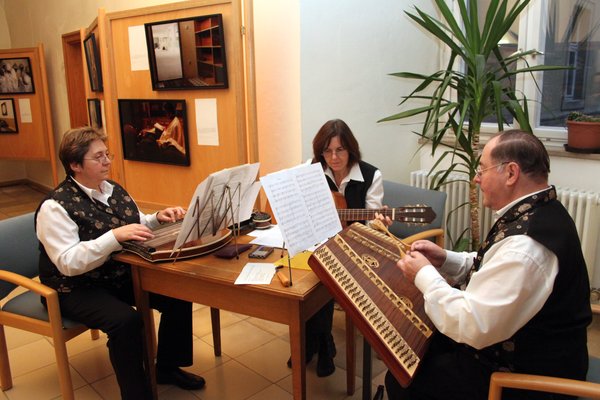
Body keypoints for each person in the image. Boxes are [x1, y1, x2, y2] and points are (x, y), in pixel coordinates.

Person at [385, 129, 592, 400]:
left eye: (482, 169)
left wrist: (423, 273)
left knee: (403, 380)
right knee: (420, 350)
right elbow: (496, 266)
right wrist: (446, 259)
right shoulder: (539, 208)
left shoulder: (527, 248)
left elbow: (473, 325)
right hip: (518, 347)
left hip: (524, 377)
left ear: (511, 173)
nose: (476, 178)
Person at [35, 127, 205, 400]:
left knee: (177, 292)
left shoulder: (112, 189)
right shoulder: (55, 207)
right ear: (75, 165)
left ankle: (167, 368)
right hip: (73, 287)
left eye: (107, 154)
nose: (107, 161)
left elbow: (134, 221)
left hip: (114, 274)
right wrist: (112, 238)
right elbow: (68, 262)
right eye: (98, 157)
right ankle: (137, 395)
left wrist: (157, 218)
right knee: (126, 321)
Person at [291, 118, 386, 377]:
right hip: (315, 244)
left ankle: (318, 345)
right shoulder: (310, 169)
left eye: (340, 150)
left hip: (355, 248)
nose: (333, 157)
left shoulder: (370, 175)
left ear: (350, 150)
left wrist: (369, 222)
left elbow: (371, 226)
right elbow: (295, 202)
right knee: (303, 279)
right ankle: (320, 342)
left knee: (325, 273)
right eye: (327, 151)